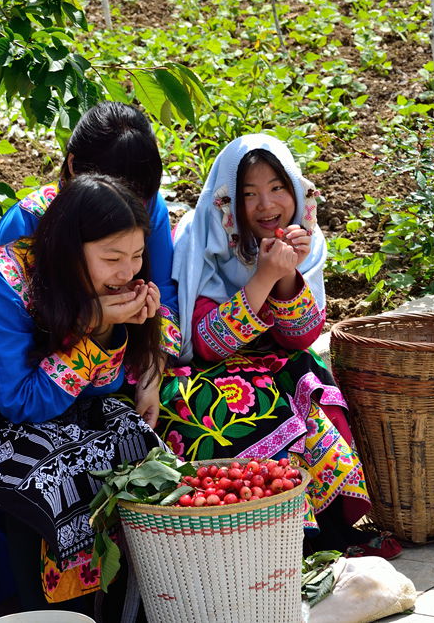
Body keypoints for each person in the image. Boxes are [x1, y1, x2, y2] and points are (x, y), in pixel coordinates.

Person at [0, 173, 165, 611]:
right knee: (49, 475)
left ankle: (132, 606)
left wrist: (107, 330)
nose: (128, 272)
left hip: (33, 400)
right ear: (69, 249)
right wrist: (96, 329)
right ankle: (50, 613)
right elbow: (22, 402)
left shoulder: (92, 284)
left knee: (132, 436)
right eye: (112, 257)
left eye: (136, 256)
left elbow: (101, 388)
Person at [161, 134, 393, 556]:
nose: (266, 205)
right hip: (206, 371)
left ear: (295, 190)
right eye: (249, 194)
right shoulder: (201, 238)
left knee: (308, 385)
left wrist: (288, 273)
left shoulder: (306, 237)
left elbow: (300, 336)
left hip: (276, 361)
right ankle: (263, 535)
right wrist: (264, 276)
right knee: (228, 407)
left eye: (276, 188)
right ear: (227, 202)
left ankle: (323, 528)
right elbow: (205, 344)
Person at [0, 101, 182, 405]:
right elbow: (10, 347)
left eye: (136, 254)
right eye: (111, 256)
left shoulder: (147, 205)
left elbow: (165, 294)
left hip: (121, 363)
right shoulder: (25, 226)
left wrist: (151, 375)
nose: (129, 210)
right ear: (73, 166)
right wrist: (92, 320)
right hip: (43, 376)